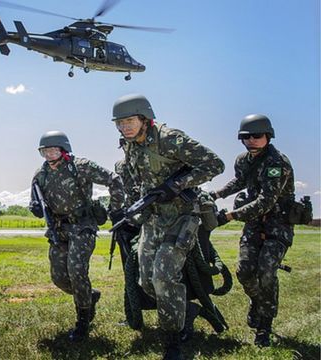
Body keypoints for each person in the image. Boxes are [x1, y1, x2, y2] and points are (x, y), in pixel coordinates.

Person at [111, 94, 224, 360]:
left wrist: (176, 185)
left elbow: (214, 164)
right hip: (153, 217)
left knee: (164, 277)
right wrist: (131, 213)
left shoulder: (170, 138)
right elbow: (138, 182)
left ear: (144, 118)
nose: (125, 127)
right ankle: (187, 311)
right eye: (120, 122)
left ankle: (173, 340)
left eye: (129, 120)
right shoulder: (130, 146)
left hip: (183, 216)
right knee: (147, 281)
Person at [29, 130, 125, 342]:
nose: (49, 154)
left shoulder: (80, 166)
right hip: (58, 230)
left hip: (83, 226)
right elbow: (35, 202)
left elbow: (114, 179)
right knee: (59, 278)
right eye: (45, 150)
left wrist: (116, 209)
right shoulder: (40, 174)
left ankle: (82, 321)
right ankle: (89, 297)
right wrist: (35, 208)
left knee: (77, 270)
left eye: (53, 149)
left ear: (63, 149)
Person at [210, 114, 295, 347]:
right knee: (244, 271)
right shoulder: (242, 160)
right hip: (254, 224)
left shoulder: (278, 163)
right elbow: (239, 182)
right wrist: (216, 194)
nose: (252, 141)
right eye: (246, 137)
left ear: (268, 136)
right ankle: (258, 302)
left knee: (266, 270)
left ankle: (264, 326)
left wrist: (229, 215)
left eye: (257, 136)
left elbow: (266, 201)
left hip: (278, 223)